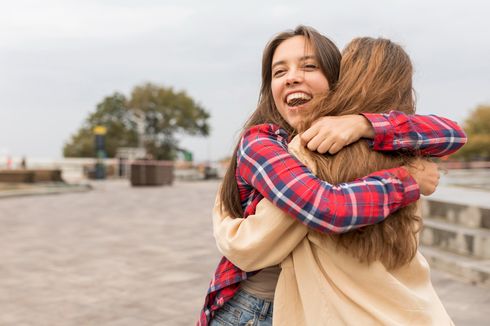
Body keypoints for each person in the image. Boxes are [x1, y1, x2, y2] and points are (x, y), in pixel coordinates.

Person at [199, 26, 466, 326]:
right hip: (251, 310)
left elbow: (454, 134)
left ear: (337, 80)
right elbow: (327, 207)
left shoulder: (352, 144)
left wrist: (364, 124)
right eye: (278, 72)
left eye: (309, 66)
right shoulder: (264, 143)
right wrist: (409, 180)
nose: (292, 77)